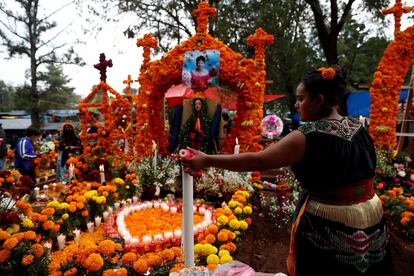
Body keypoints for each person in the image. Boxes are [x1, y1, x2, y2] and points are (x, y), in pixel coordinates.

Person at [181, 66, 392, 275]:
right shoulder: (359, 128)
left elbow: (257, 160)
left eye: (301, 99)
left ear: (318, 100)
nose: (297, 104)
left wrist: (207, 160)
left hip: (328, 225)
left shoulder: (306, 135)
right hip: (372, 219)